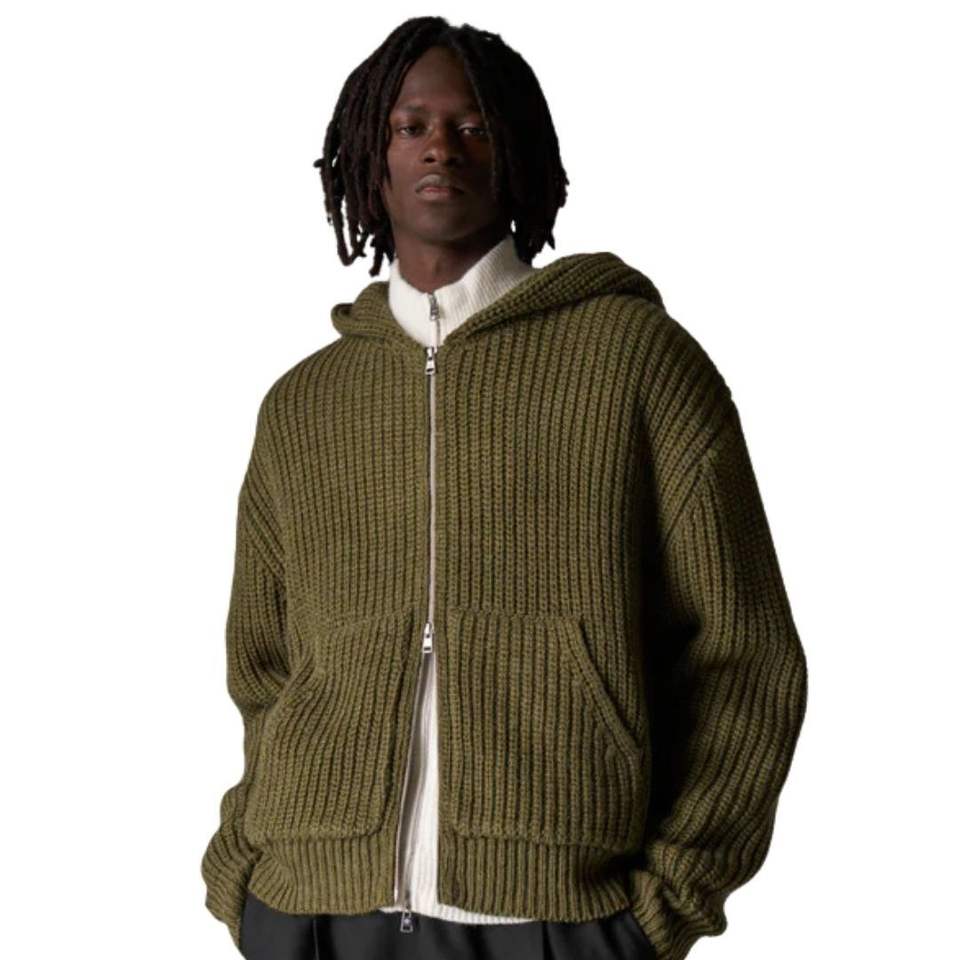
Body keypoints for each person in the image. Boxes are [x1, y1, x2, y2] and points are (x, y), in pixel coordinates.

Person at [200, 15, 808, 960]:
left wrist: (669, 901)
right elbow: (264, 668)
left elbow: (743, 652)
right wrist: (245, 882)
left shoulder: (633, 362)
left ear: (517, 148)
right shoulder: (303, 404)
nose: (440, 147)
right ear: (369, 156)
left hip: (559, 917)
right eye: (410, 126)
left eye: (473, 125)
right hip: (312, 909)